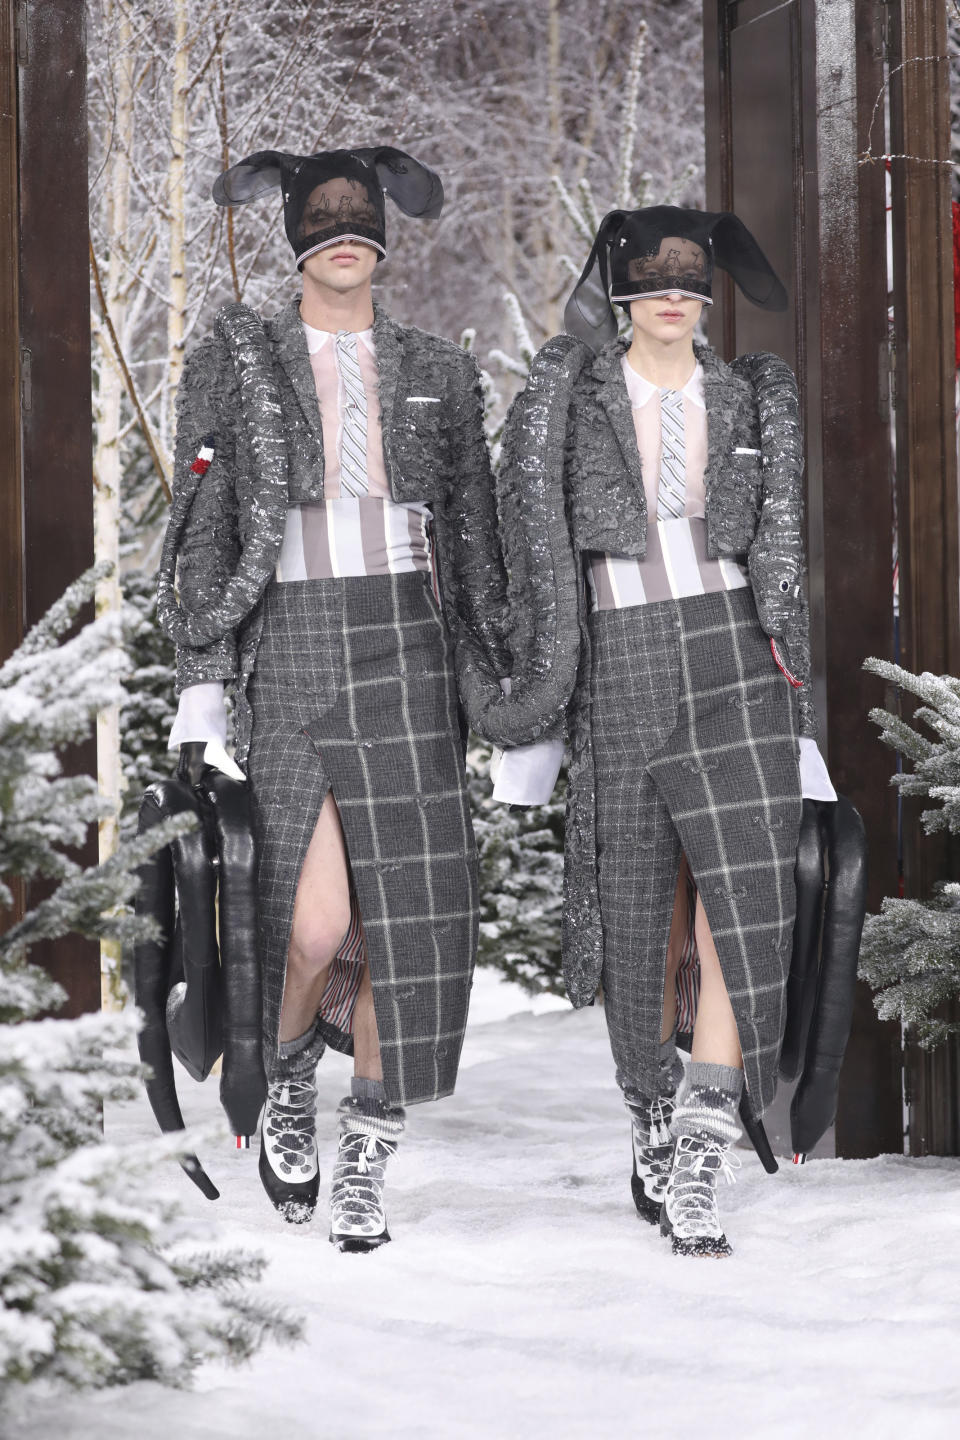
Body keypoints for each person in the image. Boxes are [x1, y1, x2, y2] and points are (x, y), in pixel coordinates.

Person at [156, 146, 509, 1250]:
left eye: (361, 220)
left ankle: (369, 1151)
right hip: (294, 640)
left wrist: (506, 692)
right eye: (324, 220)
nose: (345, 236)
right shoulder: (238, 357)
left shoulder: (440, 374)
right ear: (295, 235)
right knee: (311, 924)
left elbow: (481, 544)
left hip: (407, 641)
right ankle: (288, 1079)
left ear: (386, 240)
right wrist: (204, 680)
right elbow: (201, 523)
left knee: (401, 923)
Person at [480, 206, 836, 1257]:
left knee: (745, 899)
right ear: (624, 294)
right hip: (620, 657)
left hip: (736, 658)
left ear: (706, 294)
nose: (674, 296)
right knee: (638, 912)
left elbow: (781, 555)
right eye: (653, 282)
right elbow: (525, 552)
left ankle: (704, 1139)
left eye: (691, 280)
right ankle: (649, 1106)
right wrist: (535, 711)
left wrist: (799, 707)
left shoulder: (747, 396)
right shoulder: (572, 402)